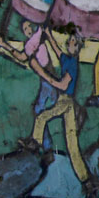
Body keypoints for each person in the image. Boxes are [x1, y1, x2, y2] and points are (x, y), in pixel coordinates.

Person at [25, 25, 89, 182]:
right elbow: (55, 48)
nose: (69, 42)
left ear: (78, 47)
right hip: (68, 105)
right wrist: (47, 33)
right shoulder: (66, 59)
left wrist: (42, 73)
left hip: (66, 101)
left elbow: (62, 86)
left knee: (42, 117)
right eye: (70, 40)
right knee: (73, 147)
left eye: (73, 41)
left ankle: (35, 143)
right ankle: (86, 182)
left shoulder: (73, 63)